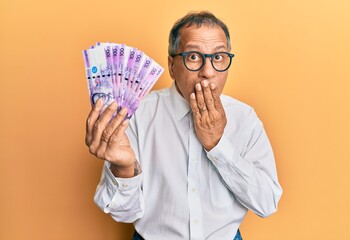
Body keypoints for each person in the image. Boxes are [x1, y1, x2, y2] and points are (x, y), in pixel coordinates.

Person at [86, 11, 282, 240]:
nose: (207, 72)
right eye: (193, 57)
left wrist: (218, 146)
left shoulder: (245, 118)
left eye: (218, 57)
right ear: (172, 65)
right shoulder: (137, 115)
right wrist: (124, 169)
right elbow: (124, 213)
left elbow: (267, 203)